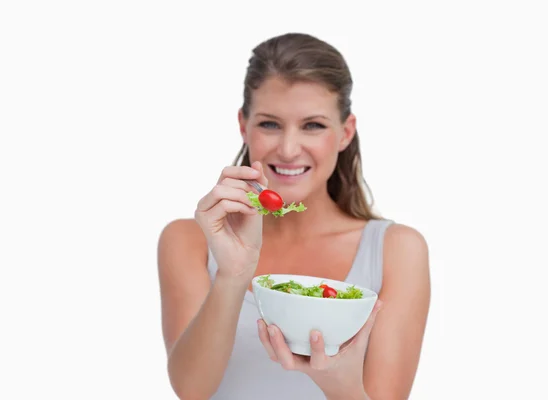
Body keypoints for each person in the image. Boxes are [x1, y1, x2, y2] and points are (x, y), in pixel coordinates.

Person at [157, 32, 430, 400]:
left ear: (345, 132)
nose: (288, 149)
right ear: (244, 125)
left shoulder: (397, 250)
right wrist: (233, 275)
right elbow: (192, 390)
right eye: (270, 124)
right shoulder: (188, 240)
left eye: (313, 125)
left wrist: (339, 380)